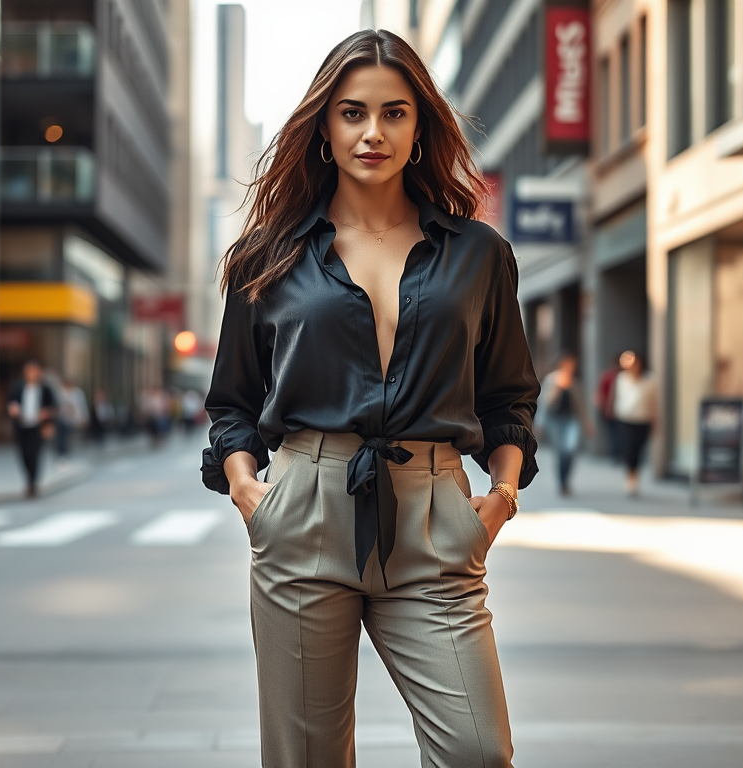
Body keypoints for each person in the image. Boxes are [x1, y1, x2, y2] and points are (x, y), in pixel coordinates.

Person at [201, 30, 539, 768]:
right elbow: (232, 403)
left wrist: (500, 495)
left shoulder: (479, 255)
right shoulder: (270, 254)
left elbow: (510, 396)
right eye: (353, 112)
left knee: (478, 752)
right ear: (324, 124)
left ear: (421, 128)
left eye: (395, 113)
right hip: (304, 511)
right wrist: (249, 491)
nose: (373, 132)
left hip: (435, 517)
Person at [541, 352, 591, 495]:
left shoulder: (575, 382)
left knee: (570, 449)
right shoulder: (551, 380)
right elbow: (545, 403)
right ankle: (562, 482)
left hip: (572, 419)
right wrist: (558, 387)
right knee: (561, 451)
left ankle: (566, 479)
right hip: (555, 420)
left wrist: (587, 422)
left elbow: (581, 405)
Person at [6, 359, 57, 498]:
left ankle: (32, 484)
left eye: (34, 371)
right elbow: (10, 401)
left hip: (38, 427)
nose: (32, 374)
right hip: (21, 426)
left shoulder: (45, 388)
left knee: (34, 455)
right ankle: (29, 481)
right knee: (23, 455)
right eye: (29, 371)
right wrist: (13, 408)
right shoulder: (18, 386)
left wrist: (46, 413)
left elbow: (53, 406)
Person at [612, 351, 658, 497]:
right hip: (625, 419)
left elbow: (654, 402)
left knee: (638, 449)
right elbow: (618, 397)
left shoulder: (650, 380)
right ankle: (630, 477)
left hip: (643, 419)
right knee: (628, 448)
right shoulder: (622, 378)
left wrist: (656, 420)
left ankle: (634, 474)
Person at [594, 354, 621, 462]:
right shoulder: (608, 376)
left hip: (620, 410)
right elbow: (600, 392)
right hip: (609, 409)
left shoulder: (620, 376)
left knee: (615, 432)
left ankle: (616, 453)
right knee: (613, 432)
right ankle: (615, 453)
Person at [56, 378, 89, 458]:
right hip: (62, 419)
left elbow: (82, 406)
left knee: (70, 438)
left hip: (74, 419)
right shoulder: (60, 393)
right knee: (63, 437)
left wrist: (84, 417)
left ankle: (68, 453)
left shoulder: (77, 393)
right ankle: (62, 453)